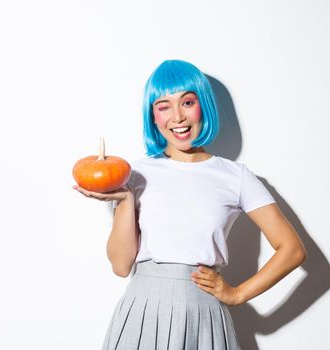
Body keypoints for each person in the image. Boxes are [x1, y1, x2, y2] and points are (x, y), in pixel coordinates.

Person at [72, 59, 307, 350]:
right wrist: (125, 199)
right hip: (142, 309)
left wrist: (237, 294)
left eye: (187, 102)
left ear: (202, 106)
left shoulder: (236, 177)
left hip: (202, 311)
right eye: (164, 106)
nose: (177, 117)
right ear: (153, 116)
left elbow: (292, 250)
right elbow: (121, 266)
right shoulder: (133, 175)